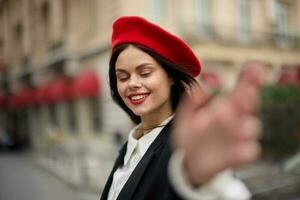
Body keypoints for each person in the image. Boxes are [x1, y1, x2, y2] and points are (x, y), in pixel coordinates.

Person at [100, 16, 264, 200]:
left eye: (144, 73)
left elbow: (201, 184)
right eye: (122, 77)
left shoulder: (185, 146)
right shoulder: (128, 148)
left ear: (170, 76)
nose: (132, 83)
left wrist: (198, 180)